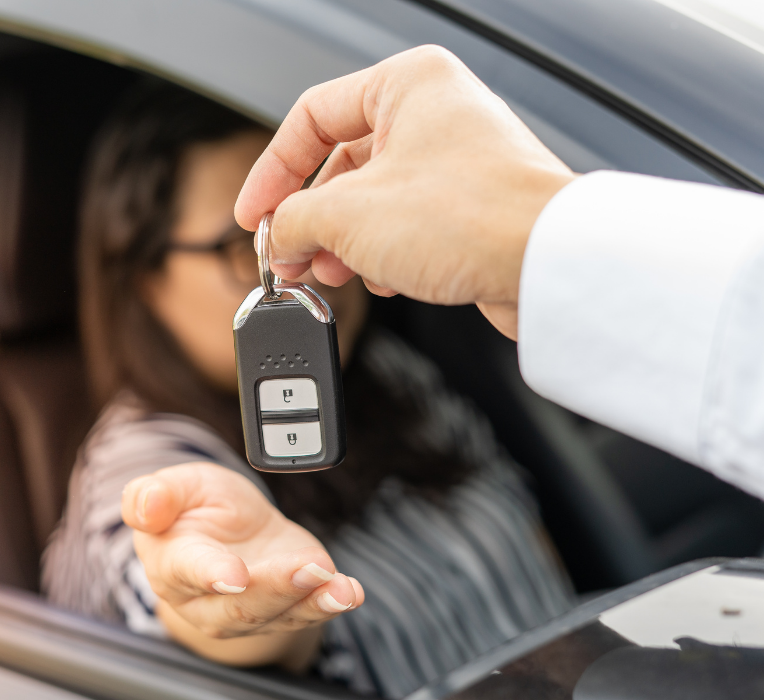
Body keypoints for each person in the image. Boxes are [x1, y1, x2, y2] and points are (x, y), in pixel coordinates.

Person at [43, 81, 574, 699]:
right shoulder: (143, 464)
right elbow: (200, 606)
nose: (301, 271)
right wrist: (238, 595)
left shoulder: (385, 372)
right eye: (252, 246)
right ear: (144, 279)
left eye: (315, 224)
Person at [234, 46, 764, 502]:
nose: (317, 272)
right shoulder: (172, 454)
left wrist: (528, 236)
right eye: (227, 246)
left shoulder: (405, 377)